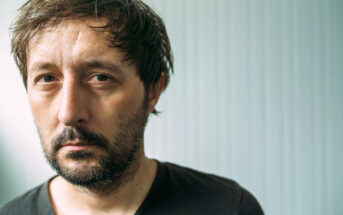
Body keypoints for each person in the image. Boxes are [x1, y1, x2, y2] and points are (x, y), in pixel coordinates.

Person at [0, 0, 264, 214]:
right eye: (47, 79)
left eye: (100, 77)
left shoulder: (229, 208)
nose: (69, 113)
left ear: (152, 91)